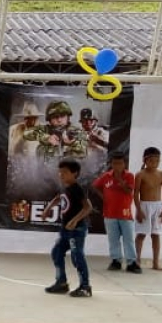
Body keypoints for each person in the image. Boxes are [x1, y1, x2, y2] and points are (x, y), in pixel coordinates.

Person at [43, 158, 93, 297]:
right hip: (65, 229)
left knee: (77, 256)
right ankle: (61, 283)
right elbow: (59, 198)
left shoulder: (77, 188)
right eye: (60, 172)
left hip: (77, 230)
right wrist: (48, 208)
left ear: (74, 173)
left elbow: (88, 207)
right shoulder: (65, 187)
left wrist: (75, 221)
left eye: (65, 172)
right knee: (57, 252)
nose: (61, 175)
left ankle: (85, 287)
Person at [93, 151, 142, 274]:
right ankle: (116, 260)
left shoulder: (129, 176)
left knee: (128, 239)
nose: (117, 166)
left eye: (120, 163)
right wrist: (103, 196)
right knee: (113, 239)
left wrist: (119, 179)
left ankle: (131, 262)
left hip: (125, 213)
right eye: (115, 163)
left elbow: (128, 191)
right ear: (111, 164)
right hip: (109, 213)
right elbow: (95, 186)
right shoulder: (106, 176)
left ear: (124, 164)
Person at [134, 146, 162, 271]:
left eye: (157, 161)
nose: (154, 163)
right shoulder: (140, 175)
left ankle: (155, 263)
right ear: (145, 160)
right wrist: (139, 211)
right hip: (144, 206)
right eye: (151, 161)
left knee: (156, 235)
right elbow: (135, 194)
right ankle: (137, 260)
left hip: (158, 207)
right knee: (141, 234)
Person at [22, 100, 88, 162]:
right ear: (49, 119)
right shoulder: (46, 129)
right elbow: (26, 133)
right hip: (45, 166)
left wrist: (71, 143)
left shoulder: (76, 131)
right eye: (55, 117)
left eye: (62, 116)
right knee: (41, 148)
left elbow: (83, 152)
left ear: (68, 117)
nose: (59, 120)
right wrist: (47, 138)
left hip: (68, 167)